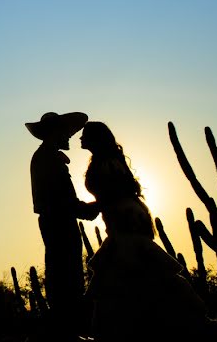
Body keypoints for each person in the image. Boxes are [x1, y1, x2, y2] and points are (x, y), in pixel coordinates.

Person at [80, 121, 209, 341]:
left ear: (95, 139)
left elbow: (111, 193)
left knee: (126, 273)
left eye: (85, 135)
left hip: (124, 221)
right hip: (123, 218)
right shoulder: (108, 162)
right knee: (136, 274)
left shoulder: (106, 165)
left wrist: (89, 208)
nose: (80, 139)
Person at [27, 111, 99, 340]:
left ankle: (66, 329)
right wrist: (93, 207)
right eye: (65, 133)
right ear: (55, 133)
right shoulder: (48, 159)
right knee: (67, 278)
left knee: (64, 276)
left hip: (56, 221)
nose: (69, 136)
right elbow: (64, 201)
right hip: (59, 223)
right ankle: (66, 331)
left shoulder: (45, 157)